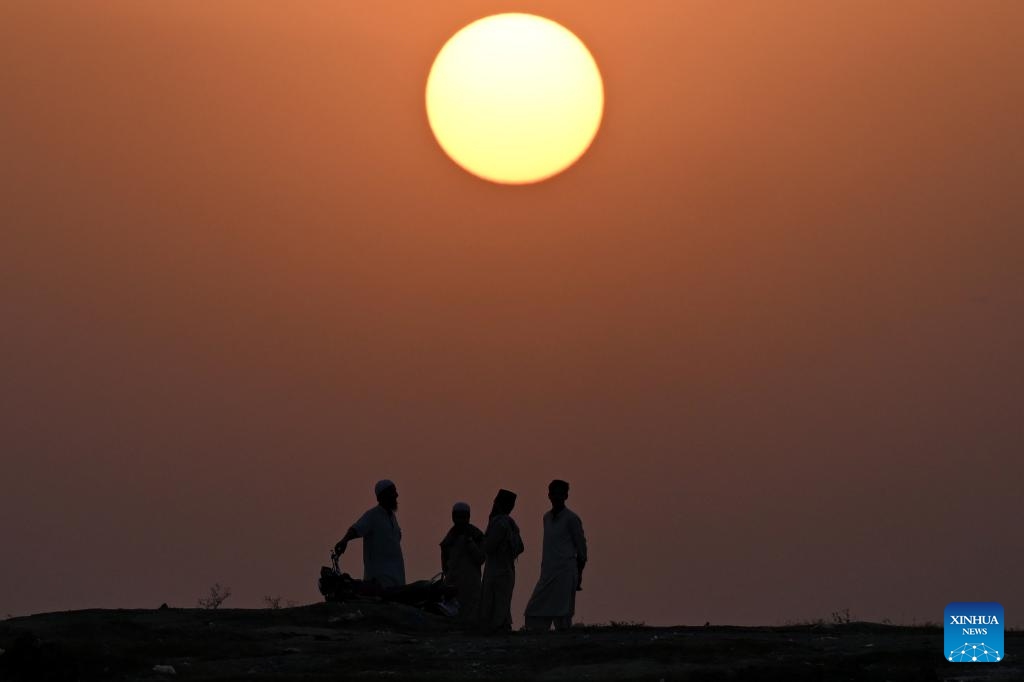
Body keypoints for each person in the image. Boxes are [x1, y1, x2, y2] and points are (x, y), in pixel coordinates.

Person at [524, 479, 587, 631]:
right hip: (548, 572)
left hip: (565, 571)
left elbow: (582, 551)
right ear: (549, 495)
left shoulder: (572, 519)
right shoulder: (546, 518)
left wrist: (579, 575)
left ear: (566, 496)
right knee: (534, 611)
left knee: (563, 614)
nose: (556, 497)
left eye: (560, 494)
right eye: (553, 493)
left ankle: (564, 644)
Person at [334, 479, 405, 588]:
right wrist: (344, 541)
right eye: (392, 492)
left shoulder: (392, 518)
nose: (396, 495)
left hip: (397, 577)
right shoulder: (372, 515)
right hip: (379, 577)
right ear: (383, 496)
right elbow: (356, 529)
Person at [477, 489, 523, 633]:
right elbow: (520, 547)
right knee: (502, 604)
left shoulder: (500, 524)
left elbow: (489, 547)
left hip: (497, 572)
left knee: (495, 606)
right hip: (505, 571)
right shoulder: (510, 523)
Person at [439, 501, 485, 621]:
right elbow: (445, 564)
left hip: (471, 584)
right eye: (458, 516)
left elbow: (480, 558)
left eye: (463, 517)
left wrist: (469, 542)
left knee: (471, 616)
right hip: (453, 585)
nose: (460, 520)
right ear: (453, 517)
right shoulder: (449, 538)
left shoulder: (476, 535)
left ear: (468, 517)